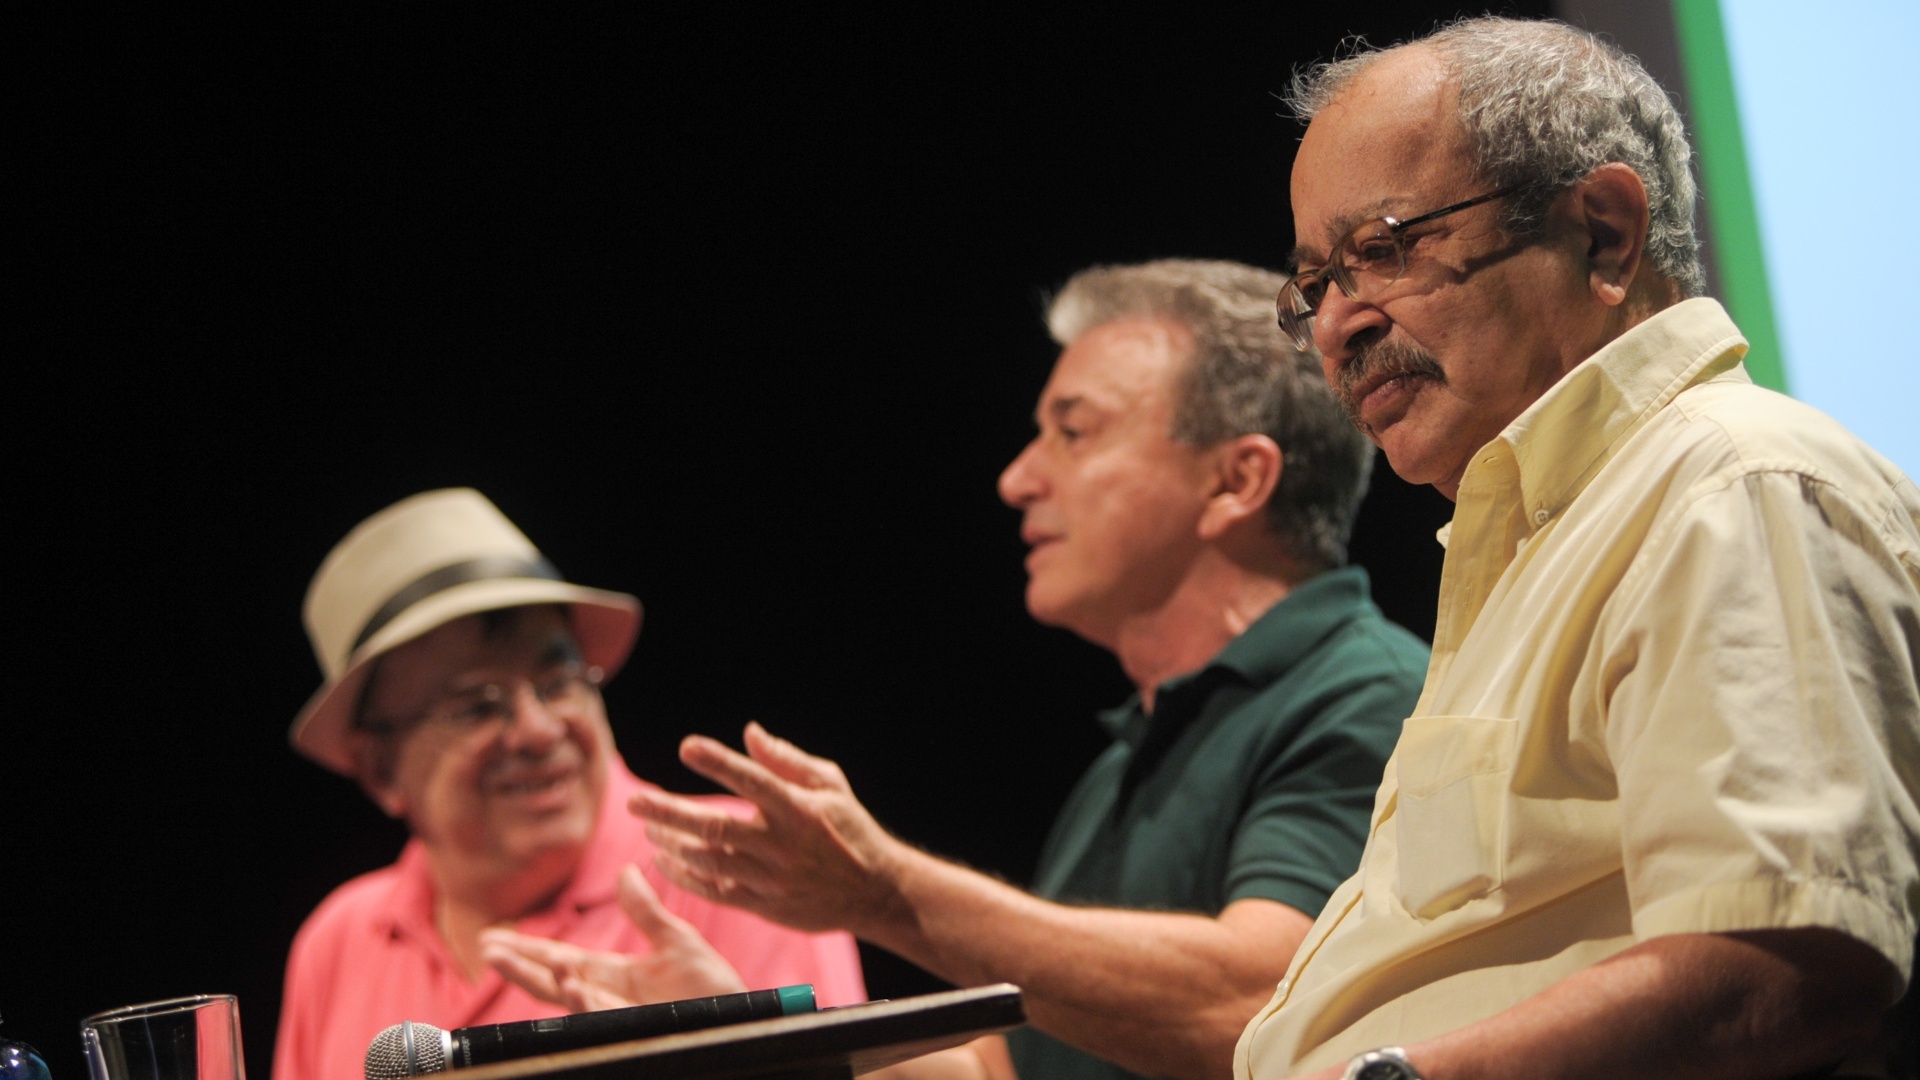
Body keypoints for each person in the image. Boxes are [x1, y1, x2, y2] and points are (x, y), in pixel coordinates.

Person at [486, 259, 1431, 1080]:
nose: (1018, 477)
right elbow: (1011, 1061)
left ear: (1236, 480)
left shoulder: (1368, 696)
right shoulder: (1128, 759)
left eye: (1074, 430)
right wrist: (738, 1044)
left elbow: (1266, 1008)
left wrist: (882, 890)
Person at [1236, 16, 1920, 1080]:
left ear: (1603, 233)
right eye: (1315, 284)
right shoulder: (1541, 543)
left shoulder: (1731, 487)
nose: (1335, 326)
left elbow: (1786, 964)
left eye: (1381, 250)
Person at [272, 489, 866, 1080]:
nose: (538, 728)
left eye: (559, 680)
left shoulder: (739, 864)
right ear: (380, 769)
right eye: (478, 705)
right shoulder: (338, 938)